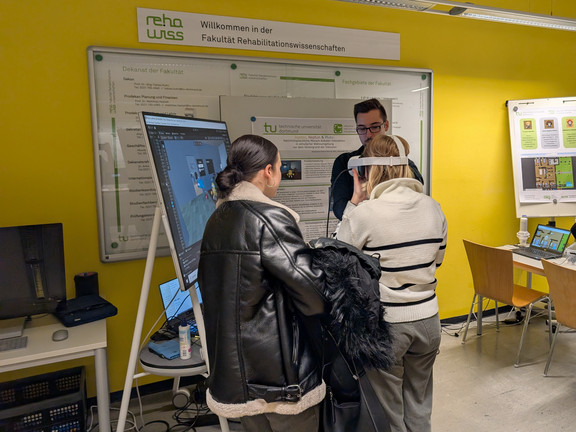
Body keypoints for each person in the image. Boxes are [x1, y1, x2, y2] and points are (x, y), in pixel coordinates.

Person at [198, 134, 326, 432]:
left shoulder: (216, 219)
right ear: (268, 171)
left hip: (236, 377)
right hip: (279, 380)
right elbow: (314, 296)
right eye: (280, 168)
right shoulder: (272, 219)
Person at [335, 134, 447, 432]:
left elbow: (338, 258)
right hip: (429, 321)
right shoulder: (433, 207)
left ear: (368, 170)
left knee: (389, 410)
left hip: (388, 325)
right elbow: (437, 261)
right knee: (419, 401)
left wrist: (355, 201)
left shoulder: (365, 214)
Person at [330, 98, 424, 220]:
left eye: (374, 127)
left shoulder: (402, 162)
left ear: (386, 125)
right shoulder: (345, 162)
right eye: (362, 128)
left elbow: (416, 192)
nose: (368, 135)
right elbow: (339, 209)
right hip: (359, 228)